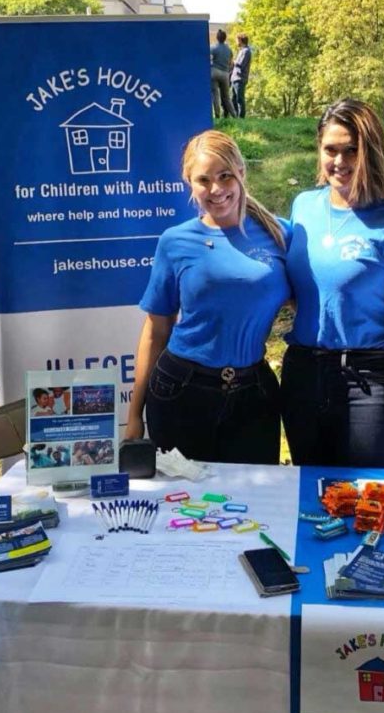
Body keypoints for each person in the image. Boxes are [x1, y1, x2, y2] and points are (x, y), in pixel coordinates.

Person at [280, 98, 384, 470]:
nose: (340, 161)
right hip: (303, 375)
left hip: (368, 381)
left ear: (371, 151)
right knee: (314, 502)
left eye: (352, 150)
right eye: (330, 150)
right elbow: (305, 289)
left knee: (370, 500)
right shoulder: (302, 207)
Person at [124, 129, 290, 463]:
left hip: (254, 395)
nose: (216, 189)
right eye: (203, 179)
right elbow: (156, 330)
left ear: (241, 173)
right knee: (180, 508)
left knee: (253, 508)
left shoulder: (281, 233)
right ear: (189, 182)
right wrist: (133, 417)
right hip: (181, 391)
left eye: (225, 175)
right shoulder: (175, 241)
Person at [210, 29, 236, 118]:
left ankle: (217, 115)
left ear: (217, 38)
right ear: (225, 38)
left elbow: (208, 58)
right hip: (225, 74)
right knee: (226, 97)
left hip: (214, 72)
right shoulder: (229, 50)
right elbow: (231, 63)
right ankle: (234, 115)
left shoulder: (213, 48)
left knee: (215, 95)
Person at [230, 33, 252, 118]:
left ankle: (241, 117)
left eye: (237, 40)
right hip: (235, 78)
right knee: (234, 99)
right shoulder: (242, 51)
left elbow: (241, 64)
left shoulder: (246, 51)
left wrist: (232, 62)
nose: (236, 42)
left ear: (240, 40)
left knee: (240, 99)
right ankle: (236, 117)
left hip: (240, 78)